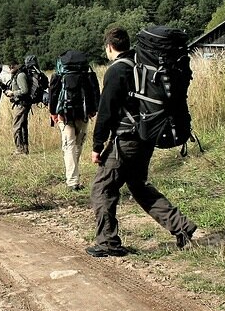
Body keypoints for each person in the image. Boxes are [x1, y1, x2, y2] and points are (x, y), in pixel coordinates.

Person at [87, 27, 197, 257]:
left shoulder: (116, 71)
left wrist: (97, 146)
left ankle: (107, 242)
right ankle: (182, 227)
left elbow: (106, 111)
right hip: (147, 136)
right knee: (138, 185)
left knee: (102, 188)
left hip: (126, 140)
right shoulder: (142, 65)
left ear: (109, 47)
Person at [48, 49, 100, 190]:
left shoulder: (59, 72)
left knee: (69, 146)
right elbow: (94, 90)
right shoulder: (86, 72)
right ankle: (74, 178)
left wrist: (53, 112)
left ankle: (72, 181)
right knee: (78, 145)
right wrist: (93, 109)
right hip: (83, 113)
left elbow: (53, 92)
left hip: (64, 114)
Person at [4, 58, 32, 154]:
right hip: (22, 103)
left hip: (21, 104)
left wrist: (13, 93)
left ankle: (19, 149)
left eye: (12, 66)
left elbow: (24, 90)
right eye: (9, 66)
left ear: (16, 65)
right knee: (23, 126)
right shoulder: (18, 74)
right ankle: (24, 149)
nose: (10, 68)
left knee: (16, 126)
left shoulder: (20, 75)